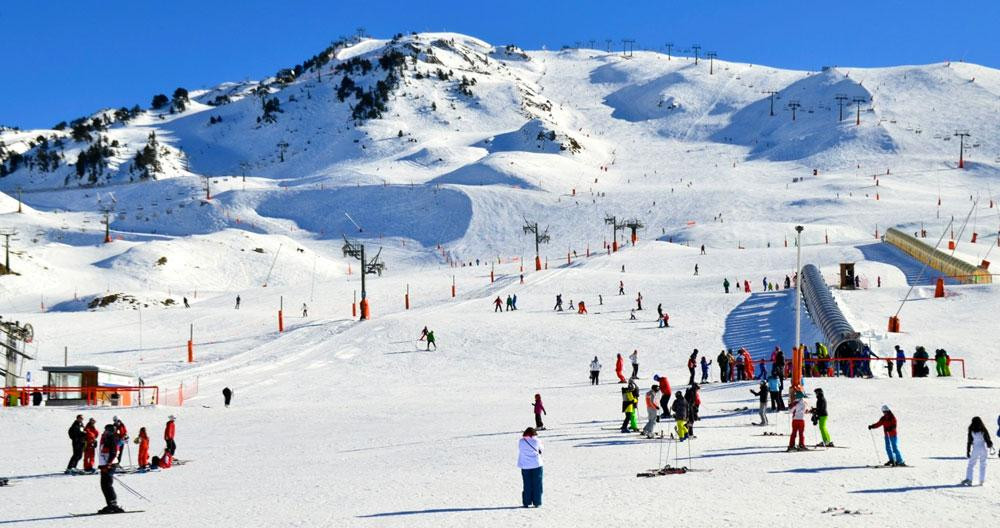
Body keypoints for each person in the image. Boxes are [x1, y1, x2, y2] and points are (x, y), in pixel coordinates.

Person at [97, 423, 124, 514]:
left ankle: (113, 505)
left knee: (107, 485)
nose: (104, 431)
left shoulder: (112, 438)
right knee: (105, 485)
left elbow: (113, 452)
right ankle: (110, 504)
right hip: (105, 465)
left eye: (106, 430)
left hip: (109, 465)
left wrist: (108, 464)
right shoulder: (107, 438)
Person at [963, 417, 994, 486]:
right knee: (983, 464)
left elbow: (969, 441)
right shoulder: (983, 429)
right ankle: (981, 480)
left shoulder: (971, 429)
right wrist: (990, 445)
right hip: (983, 448)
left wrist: (968, 451)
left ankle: (969, 479)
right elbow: (988, 439)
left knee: (971, 464)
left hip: (975, 448)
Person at [517, 428, 543, 508]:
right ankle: (537, 502)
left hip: (525, 465)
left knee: (527, 484)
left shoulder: (521, 441)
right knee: (537, 484)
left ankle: (526, 502)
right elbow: (541, 449)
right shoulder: (537, 441)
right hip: (536, 464)